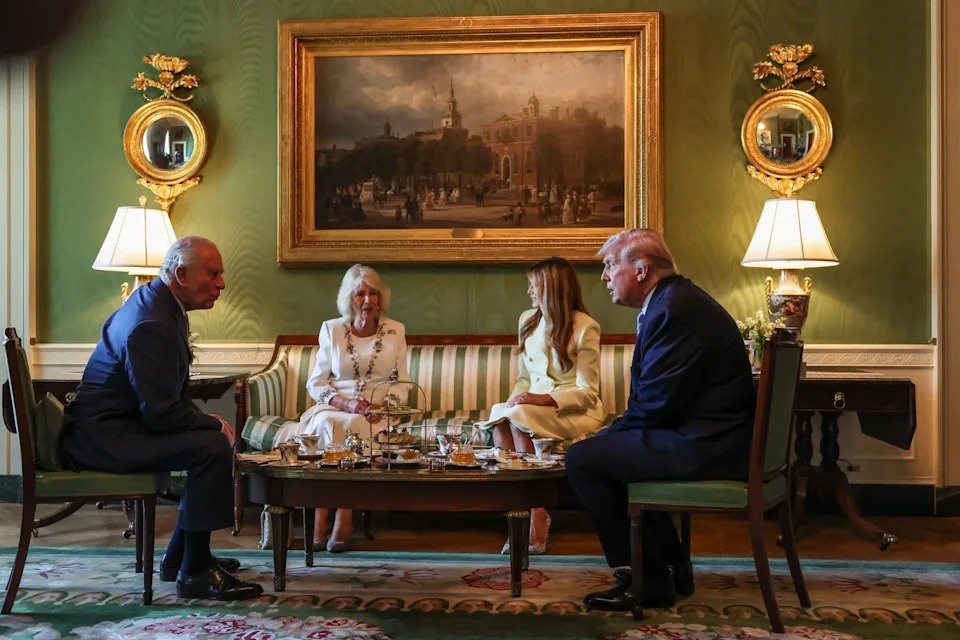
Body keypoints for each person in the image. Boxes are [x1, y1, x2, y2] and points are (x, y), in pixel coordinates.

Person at [61, 236, 262, 601]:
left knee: (210, 441)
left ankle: (180, 559)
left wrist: (207, 421)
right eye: (213, 274)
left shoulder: (154, 304)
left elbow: (162, 400)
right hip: (103, 440)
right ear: (182, 274)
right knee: (211, 447)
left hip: (112, 430)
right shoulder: (153, 322)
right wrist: (214, 424)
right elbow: (161, 413)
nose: (222, 284)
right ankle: (196, 572)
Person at [565, 229, 756, 611]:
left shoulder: (674, 309)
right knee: (605, 451)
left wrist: (609, 434)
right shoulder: (673, 301)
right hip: (707, 437)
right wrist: (614, 433)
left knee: (584, 459)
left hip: (708, 446)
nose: (604, 277)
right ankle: (669, 563)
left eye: (609, 266)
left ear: (640, 269)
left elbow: (654, 404)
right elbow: (662, 400)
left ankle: (648, 579)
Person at [274, 264, 409, 552]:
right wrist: (345, 403)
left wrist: (384, 406)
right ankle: (321, 515)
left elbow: (403, 383)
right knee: (330, 424)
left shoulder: (396, 331)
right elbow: (316, 383)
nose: (368, 301)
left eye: (373, 293)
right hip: (335, 406)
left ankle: (343, 516)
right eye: (360, 294)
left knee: (357, 426)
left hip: (376, 410)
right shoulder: (331, 329)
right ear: (349, 298)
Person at [480, 257, 603, 554]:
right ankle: (523, 513)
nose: (529, 292)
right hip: (531, 410)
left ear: (551, 288)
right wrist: (515, 399)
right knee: (502, 415)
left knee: (519, 415)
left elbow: (589, 392)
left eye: (533, 286)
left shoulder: (585, 327)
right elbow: (524, 380)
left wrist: (542, 399)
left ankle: (534, 517)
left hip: (574, 412)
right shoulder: (527, 320)